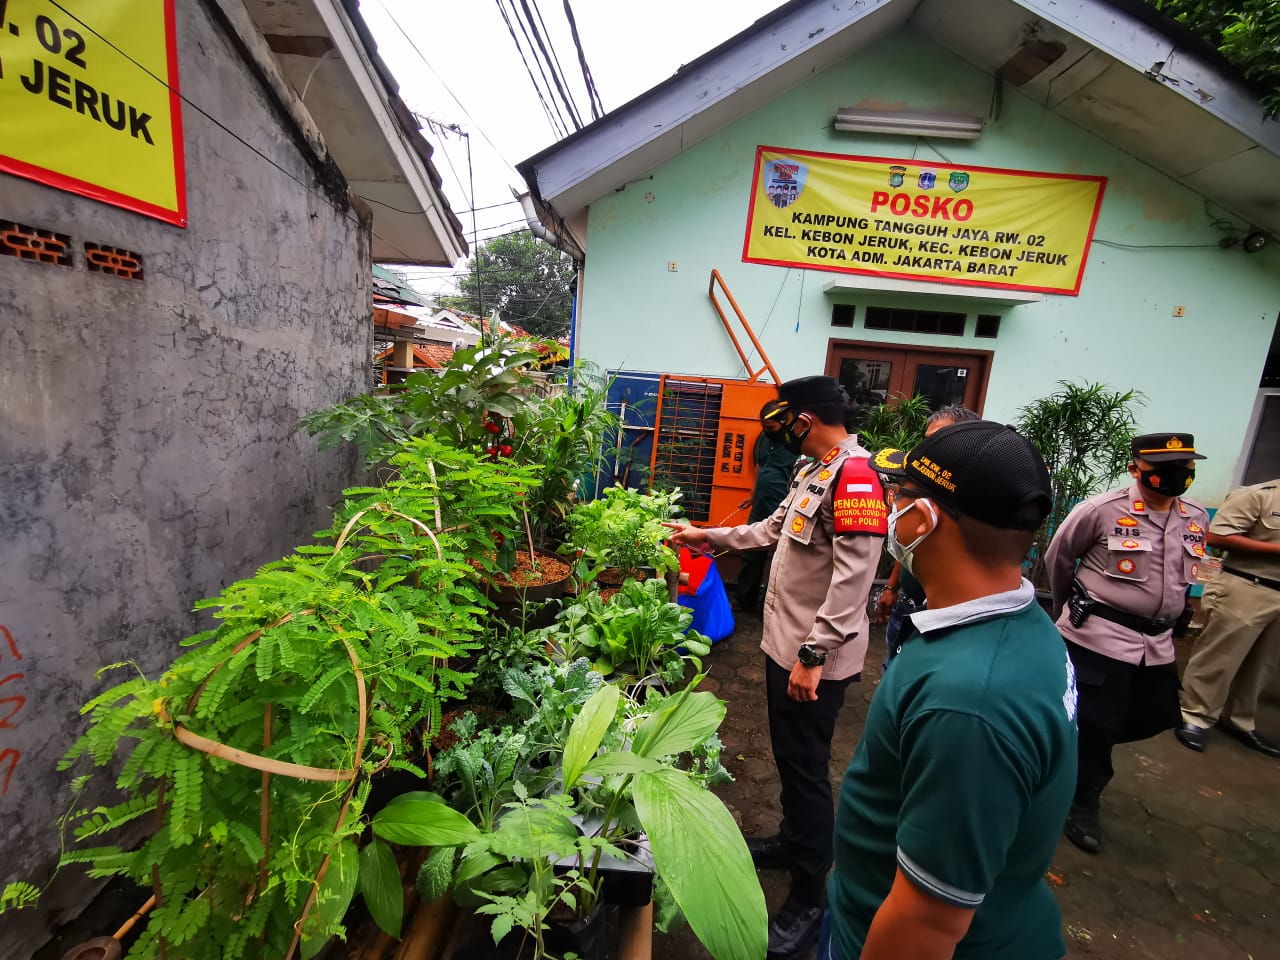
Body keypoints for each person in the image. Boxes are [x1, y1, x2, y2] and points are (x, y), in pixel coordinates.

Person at [824, 420, 1075, 960]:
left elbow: (927, 922)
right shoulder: (1015, 625)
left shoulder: (969, 701)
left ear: (922, 518)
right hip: (878, 905)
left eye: (900, 497)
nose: (891, 509)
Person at [665, 375, 886, 960]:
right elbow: (769, 531)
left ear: (804, 419)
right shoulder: (814, 470)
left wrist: (814, 655)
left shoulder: (855, 477)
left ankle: (812, 895)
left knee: (808, 768)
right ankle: (793, 841)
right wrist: (706, 534)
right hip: (784, 646)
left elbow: (854, 579)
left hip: (812, 658)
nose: (778, 429)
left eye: (784, 418)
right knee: (789, 757)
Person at [1045, 432, 1209, 854]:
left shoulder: (1194, 518)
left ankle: (1074, 765)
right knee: (1097, 722)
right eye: (1164, 469)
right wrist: (1069, 610)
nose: (1177, 476)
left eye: (1186, 468)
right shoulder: (1101, 510)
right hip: (1100, 637)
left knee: (1150, 715)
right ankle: (1082, 799)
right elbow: (1058, 558)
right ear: (1136, 469)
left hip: (1157, 644)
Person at [1175, 478, 1280, 757]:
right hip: (1248, 587)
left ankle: (1239, 719)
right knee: (1220, 657)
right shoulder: (1259, 496)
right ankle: (1194, 715)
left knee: (1264, 663)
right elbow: (1218, 536)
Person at [873, 404, 981, 665]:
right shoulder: (927, 484)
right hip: (907, 606)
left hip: (945, 616)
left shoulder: (977, 495)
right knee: (893, 673)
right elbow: (910, 542)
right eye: (927, 441)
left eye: (939, 440)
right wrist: (891, 586)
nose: (927, 450)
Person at [734, 399, 800, 611]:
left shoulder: (797, 443)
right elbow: (760, 466)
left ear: (783, 422)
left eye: (770, 427)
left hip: (784, 508)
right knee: (751, 552)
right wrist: (753, 494)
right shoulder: (763, 438)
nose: (765, 430)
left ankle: (774, 607)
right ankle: (744, 600)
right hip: (760, 505)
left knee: (781, 558)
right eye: (763, 426)